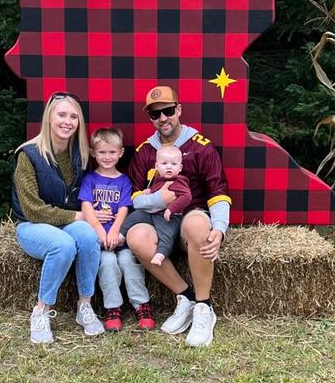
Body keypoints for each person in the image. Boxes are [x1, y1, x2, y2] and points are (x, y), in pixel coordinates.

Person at [125, 85, 231, 347]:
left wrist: (219, 229)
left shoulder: (201, 147)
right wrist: (159, 200)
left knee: (197, 223)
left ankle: (204, 308)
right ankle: (185, 297)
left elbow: (218, 193)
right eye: (155, 114)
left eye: (168, 111)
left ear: (179, 110)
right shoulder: (144, 152)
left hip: (187, 223)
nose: (163, 118)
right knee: (136, 236)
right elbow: (135, 198)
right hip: (156, 221)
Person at [10, 91, 106, 343]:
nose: (67, 121)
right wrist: (77, 215)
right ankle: (41, 311)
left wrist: (96, 213)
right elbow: (32, 209)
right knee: (62, 245)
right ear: (49, 118)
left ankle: (84, 306)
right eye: (61, 114)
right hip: (33, 225)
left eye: (73, 116)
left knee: (87, 235)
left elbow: (84, 196)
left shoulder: (79, 154)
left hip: (66, 222)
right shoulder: (28, 154)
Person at [76, 127, 156, 331]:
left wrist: (114, 232)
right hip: (99, 238)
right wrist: (100, 232)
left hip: (119, 237)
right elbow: (86, 205)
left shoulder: (124, 180)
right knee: (108, 263)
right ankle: (113, 308)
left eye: (112, 152)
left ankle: (141, 304)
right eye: (102, 152)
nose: (107, 157)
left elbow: (123, 209)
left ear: (120, 153)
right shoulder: (90, 179)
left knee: (129, 261)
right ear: (93, 152)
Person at [121, 145, 192, 267]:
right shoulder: (158, 179)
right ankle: (121, 235)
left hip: (170, 216)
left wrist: (171, 209)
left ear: (180, 168)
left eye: (174, 164)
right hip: (153, 213)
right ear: (156, 166)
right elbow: (155, 191)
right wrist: (148, 191)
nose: (169, 166)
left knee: (166, 234)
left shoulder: (179, 181)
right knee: (135, 216)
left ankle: (161, 254)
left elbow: (187, 197)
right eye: (164, 163)